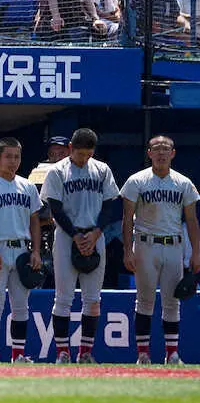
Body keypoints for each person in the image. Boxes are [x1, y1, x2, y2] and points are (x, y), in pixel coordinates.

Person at [39, 127, 121, 364]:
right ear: (70, 149)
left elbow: (108, 205)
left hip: (95, 236)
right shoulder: (57, 171)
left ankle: (85, 352)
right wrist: (75, 235)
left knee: (93, 298)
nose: (84, 158)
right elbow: (55, 208)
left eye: (88, 154)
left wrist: (96, 233)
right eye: (80, 154)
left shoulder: (102, 169)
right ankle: (63, 352)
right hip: (66, 236)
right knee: (63, 297)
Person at [121, 135, 200, 366]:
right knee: (144, 300)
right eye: (157, 149)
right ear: (149, 153)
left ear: (173, 153)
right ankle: (143, 354)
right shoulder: (137, 180)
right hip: (145, 243)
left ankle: (172, 353)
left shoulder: (183, 183)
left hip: (174, 245)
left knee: (172, 301)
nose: (161, 153)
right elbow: (127, 219)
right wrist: (128, 250)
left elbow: (192, 220)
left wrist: (196, 252)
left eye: (166, 149)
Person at [0, 137, 42, 364]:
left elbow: (35, 221)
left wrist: (36, 251)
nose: (13, 161)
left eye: (17, 156)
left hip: (21, 249)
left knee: (21, 306)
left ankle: (18, 355)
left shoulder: (28, 186)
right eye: (8, 156)